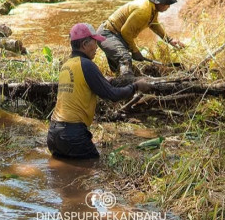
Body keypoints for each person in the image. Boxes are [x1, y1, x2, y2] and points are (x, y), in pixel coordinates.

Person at [47, 23, 154, 159]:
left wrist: (103, 81)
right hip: (73, 135)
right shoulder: (87, 65)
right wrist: (136, 86)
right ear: (85, 44)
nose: (97, 47)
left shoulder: (67, 65)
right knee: (94, 168)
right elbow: (113, 95)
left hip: (53, 135)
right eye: (94, 42)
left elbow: (82, 85)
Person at [97, 0, 185, 77]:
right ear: (160, 3)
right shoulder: (143, 11)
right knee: (125, 58)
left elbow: (154, 24)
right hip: (107, 34)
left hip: (117, 36)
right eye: (168, 4)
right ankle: (128, 86)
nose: (169, 7)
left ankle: (119, 82)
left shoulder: (152, 8)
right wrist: (135, 51)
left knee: (120, 68)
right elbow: (126, 32)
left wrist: (169, 40)